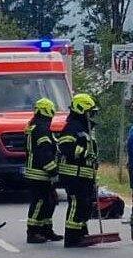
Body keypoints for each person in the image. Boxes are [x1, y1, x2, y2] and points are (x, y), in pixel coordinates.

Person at [57, 93, 99, 247]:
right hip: (73, 174)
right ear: (81, 110)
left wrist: (93, 161)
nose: (92, 115)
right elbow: (66, 148)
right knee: (77, 203)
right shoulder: (72, 127)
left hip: (84, 175)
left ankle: (81, 232)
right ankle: (72, 237)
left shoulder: (84, 128)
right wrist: (85, 153)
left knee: (85, 204)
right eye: (90, 112)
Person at [25, 98, 63, 244]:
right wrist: (54, 171)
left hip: (38, 172)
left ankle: (46, 230)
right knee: (40, 202)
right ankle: (33, 232)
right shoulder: (41, 128)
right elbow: (44, 153)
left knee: (49, 202)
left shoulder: (36, 126)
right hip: (39, 173)